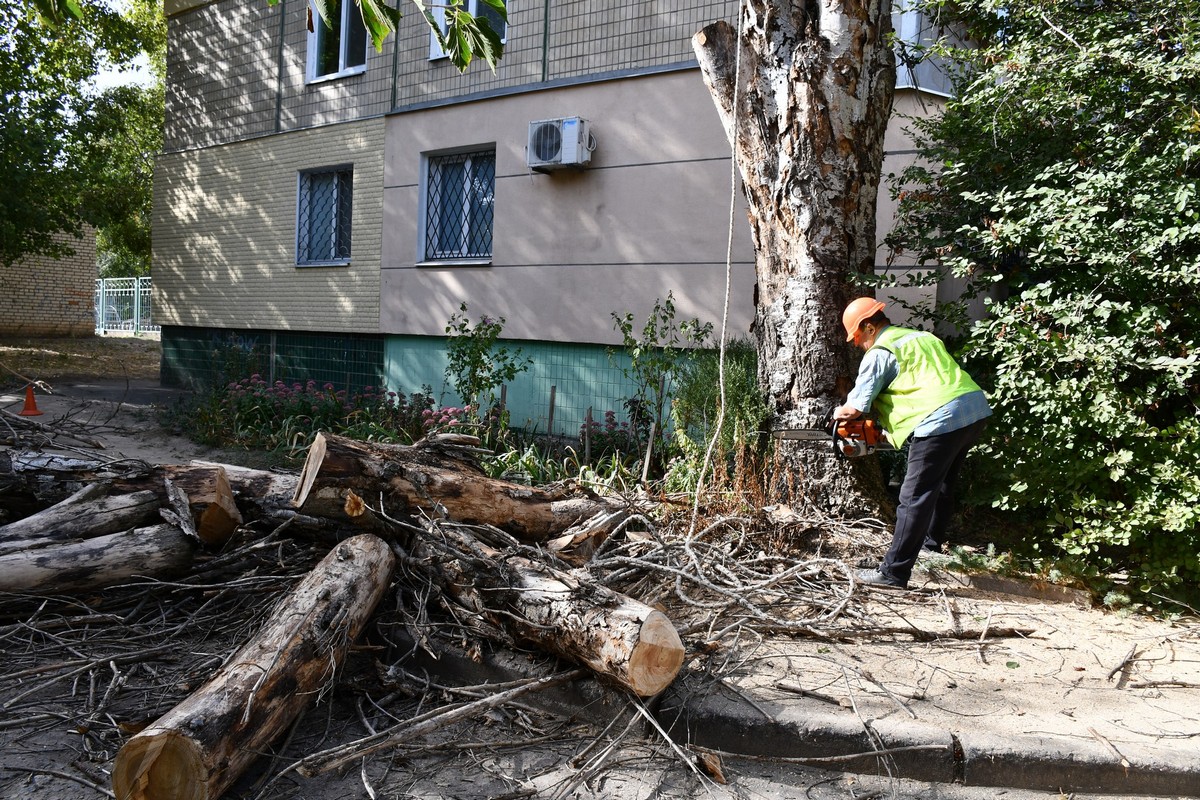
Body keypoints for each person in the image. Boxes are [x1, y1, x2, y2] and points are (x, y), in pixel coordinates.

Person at [833, 297, 992, 589]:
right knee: (942, 486)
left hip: (939, 418)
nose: (858, 345)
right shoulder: (921, 338)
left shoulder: (880, 351)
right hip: (972, 410)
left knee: (913, 497)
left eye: (857, 338)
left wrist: (836, 416)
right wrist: (884, 432)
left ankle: (894, 573)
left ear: (868, 327)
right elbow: (920, 386)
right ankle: (929, 548)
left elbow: (854, 408)